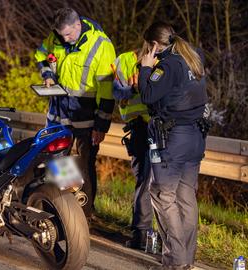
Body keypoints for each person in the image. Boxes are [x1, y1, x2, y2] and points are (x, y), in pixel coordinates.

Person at [137, 22, 208, 269]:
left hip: (173, 139)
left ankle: (174, 262)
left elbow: (147, 95)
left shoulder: (167, 66)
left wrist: (146, 69)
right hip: (195, 137)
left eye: (149, 47)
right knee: (186, 197)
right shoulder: (193, 57)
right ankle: (185, 259)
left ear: (154, 45)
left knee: (162, 195)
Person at [34, 8, 116, 217]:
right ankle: (62, 210)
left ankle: (84, 214)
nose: (65, 38)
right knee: (57, 161)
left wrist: (101, 126)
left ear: (78, 25)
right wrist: (48, 74)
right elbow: (41, 54)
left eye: (68, 34)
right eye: (61, 35)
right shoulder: (57, 37)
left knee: (83, 165)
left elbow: (107, 90)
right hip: (58, 114)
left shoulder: (101, 46)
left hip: (85, 118)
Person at [111, 44, 153, 250]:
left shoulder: (164, 61)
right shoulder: (124, 60)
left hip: (156, 128)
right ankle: (142, 233)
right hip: (138, 129)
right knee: (144, 181)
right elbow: (116, 91)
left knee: (148, 181)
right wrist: (131, 89)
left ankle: (144, 233)